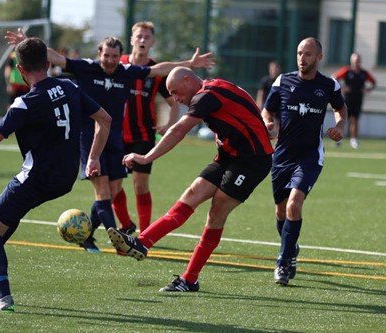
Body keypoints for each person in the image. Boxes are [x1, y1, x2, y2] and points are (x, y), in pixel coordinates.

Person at [5, 28, 214, 253]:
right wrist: (28, 44)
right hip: (88, 137)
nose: (110, 60)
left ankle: (87, 234)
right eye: (106, 55)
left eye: (115, 56)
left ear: (119, 56)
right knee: (103, 191)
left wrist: (189, 64)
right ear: (99, 54)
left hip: (115, 138)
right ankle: (120, 242)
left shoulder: (125, 71)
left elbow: (157, 70)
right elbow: (55, 57)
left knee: (114, 191)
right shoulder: (85, 67)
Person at [0, 37, 111, 312]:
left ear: (20, 70)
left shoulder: (25, 103)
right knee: (8, 216)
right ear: (48, 64)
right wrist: (94, 157)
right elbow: (105, 119)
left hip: (37, 177)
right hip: (65, 177)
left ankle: (2, 297)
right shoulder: (69, 86)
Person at [107, 66, 274, 292]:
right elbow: (243, 105)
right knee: (192, 194)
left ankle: (189, 279)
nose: (176, 98)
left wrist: (146, 157)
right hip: (229, 155)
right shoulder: (213, 87)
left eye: (176, 92)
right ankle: (142, 242)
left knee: (216, 212)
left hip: (252, 161)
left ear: (188, 80)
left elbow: (178, 131)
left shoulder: (205, 95)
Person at [261, 37, 347, 286]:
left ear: (319, 57)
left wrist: (340, 126)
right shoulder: (282, 81)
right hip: (282, 156)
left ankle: (283, 263)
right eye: (299, 53)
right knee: (280, 210)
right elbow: (267, 109)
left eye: (308, 54)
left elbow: (341, 109)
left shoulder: (329, 85)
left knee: (293, 205)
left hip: (309, 156)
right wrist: (267, 122)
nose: (302, 58)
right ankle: (291, 247)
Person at [116, 21, 180, 233]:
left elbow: (174, 103)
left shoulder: (156, 72)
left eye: (147, 37)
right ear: (132, 39)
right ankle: (126, 225)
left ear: (152, 42)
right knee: (113, 185)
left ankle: (144, 233)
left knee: (140, 184)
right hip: (115, 135)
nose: (142, 40)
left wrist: (169, 125)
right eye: (139, 36)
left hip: (143, 135)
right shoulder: (118, 64)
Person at [332, 52, 376, 149]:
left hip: (358, 99)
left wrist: (367, 90)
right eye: (355, 61)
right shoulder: (347, 71)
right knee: (343, 119)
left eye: (358, 61)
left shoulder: (363, 73)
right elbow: (334, 77)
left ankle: (354, 140)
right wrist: (342, 87)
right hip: (347, 99)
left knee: (355, 120)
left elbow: (373, 82)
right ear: (351, 61)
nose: (356, 63)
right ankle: (339, 139)